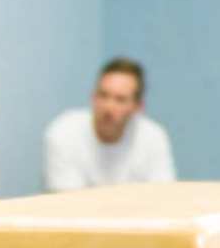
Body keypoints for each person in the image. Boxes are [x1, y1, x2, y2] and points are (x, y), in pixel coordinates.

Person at [44, 57, 176, 191]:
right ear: (93, 97)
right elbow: (67, 204)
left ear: (138, 107)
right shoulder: (64, 133)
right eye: (103, 95)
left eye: (120, 99)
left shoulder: (153, 137)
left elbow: (162, 198)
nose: (108, 107)